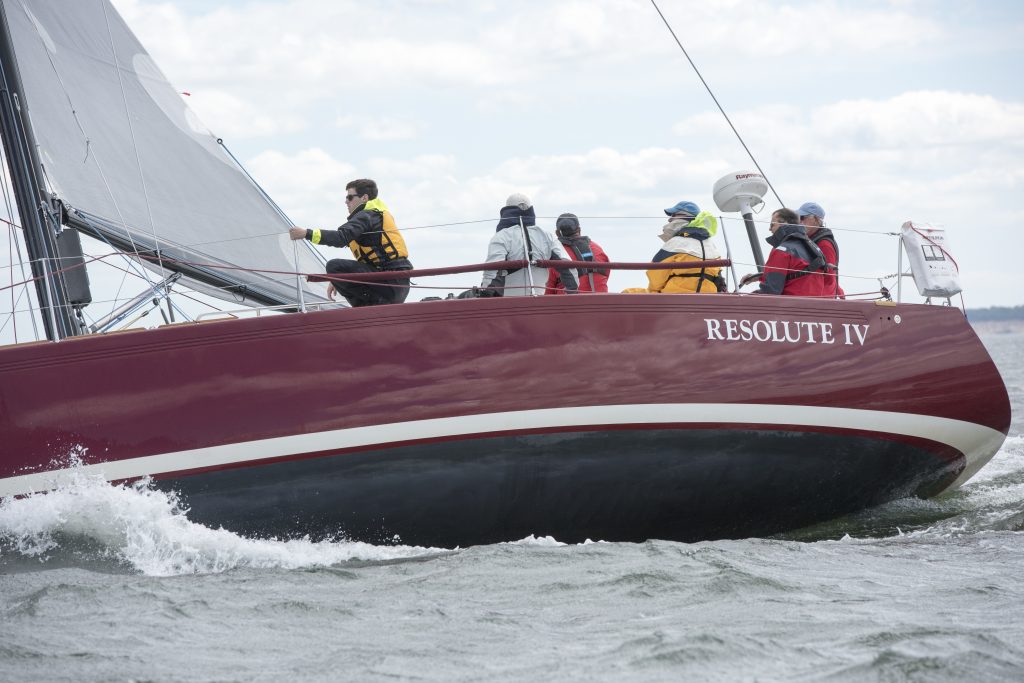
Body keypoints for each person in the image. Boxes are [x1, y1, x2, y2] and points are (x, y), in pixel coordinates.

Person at [289, 178, 412, 307]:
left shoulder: (367, 216)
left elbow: (340, 238)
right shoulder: (374, 215)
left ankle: (367, 309)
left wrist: (307, 233)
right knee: (337, 270)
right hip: (394, 284)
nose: (346, 201)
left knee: (334, 266)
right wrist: (338, 279)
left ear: (364, 198)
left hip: (389, 282)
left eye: (350, 197)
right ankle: (367, 309)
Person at [479, 194, 578, 296]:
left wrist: (485, 295)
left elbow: (491, 272)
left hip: (509, 304)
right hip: (539, 301)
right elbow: (567, 266)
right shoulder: (547, 236)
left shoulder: (501, 237)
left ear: (506, 209)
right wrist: (572, 291)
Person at [624, 200, 725, 294]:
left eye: (673, 215)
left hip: (675, 296)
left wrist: (653, 292)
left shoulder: (676, 242)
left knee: (627, 293)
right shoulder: (711, 245)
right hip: (708, 296)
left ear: (684, 217)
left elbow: (655, 277)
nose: (669, 219)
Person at [744, 208, 826, 296]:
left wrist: (747, 297)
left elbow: (770, 291)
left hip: (789, 306)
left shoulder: (782, 251)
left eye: (772, 225)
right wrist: (760, 276)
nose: (769, 229)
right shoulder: (814, 248)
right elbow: (796, 273)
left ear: (784, 224)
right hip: (813, 305)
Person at [544, 213, 610, 294]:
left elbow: (547, 291)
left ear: (557, 233)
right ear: (579, 230)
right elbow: (606, 276)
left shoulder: (556, 255)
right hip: (603, 303)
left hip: (570, 305)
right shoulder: (598, 250)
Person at [798, 201, 845, 298]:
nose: (799, 221)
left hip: (822, 298)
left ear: (815, 219)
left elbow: (829, 278)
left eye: (802, 217)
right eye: (798, 218)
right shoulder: (810, 240)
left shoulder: (824, 244)